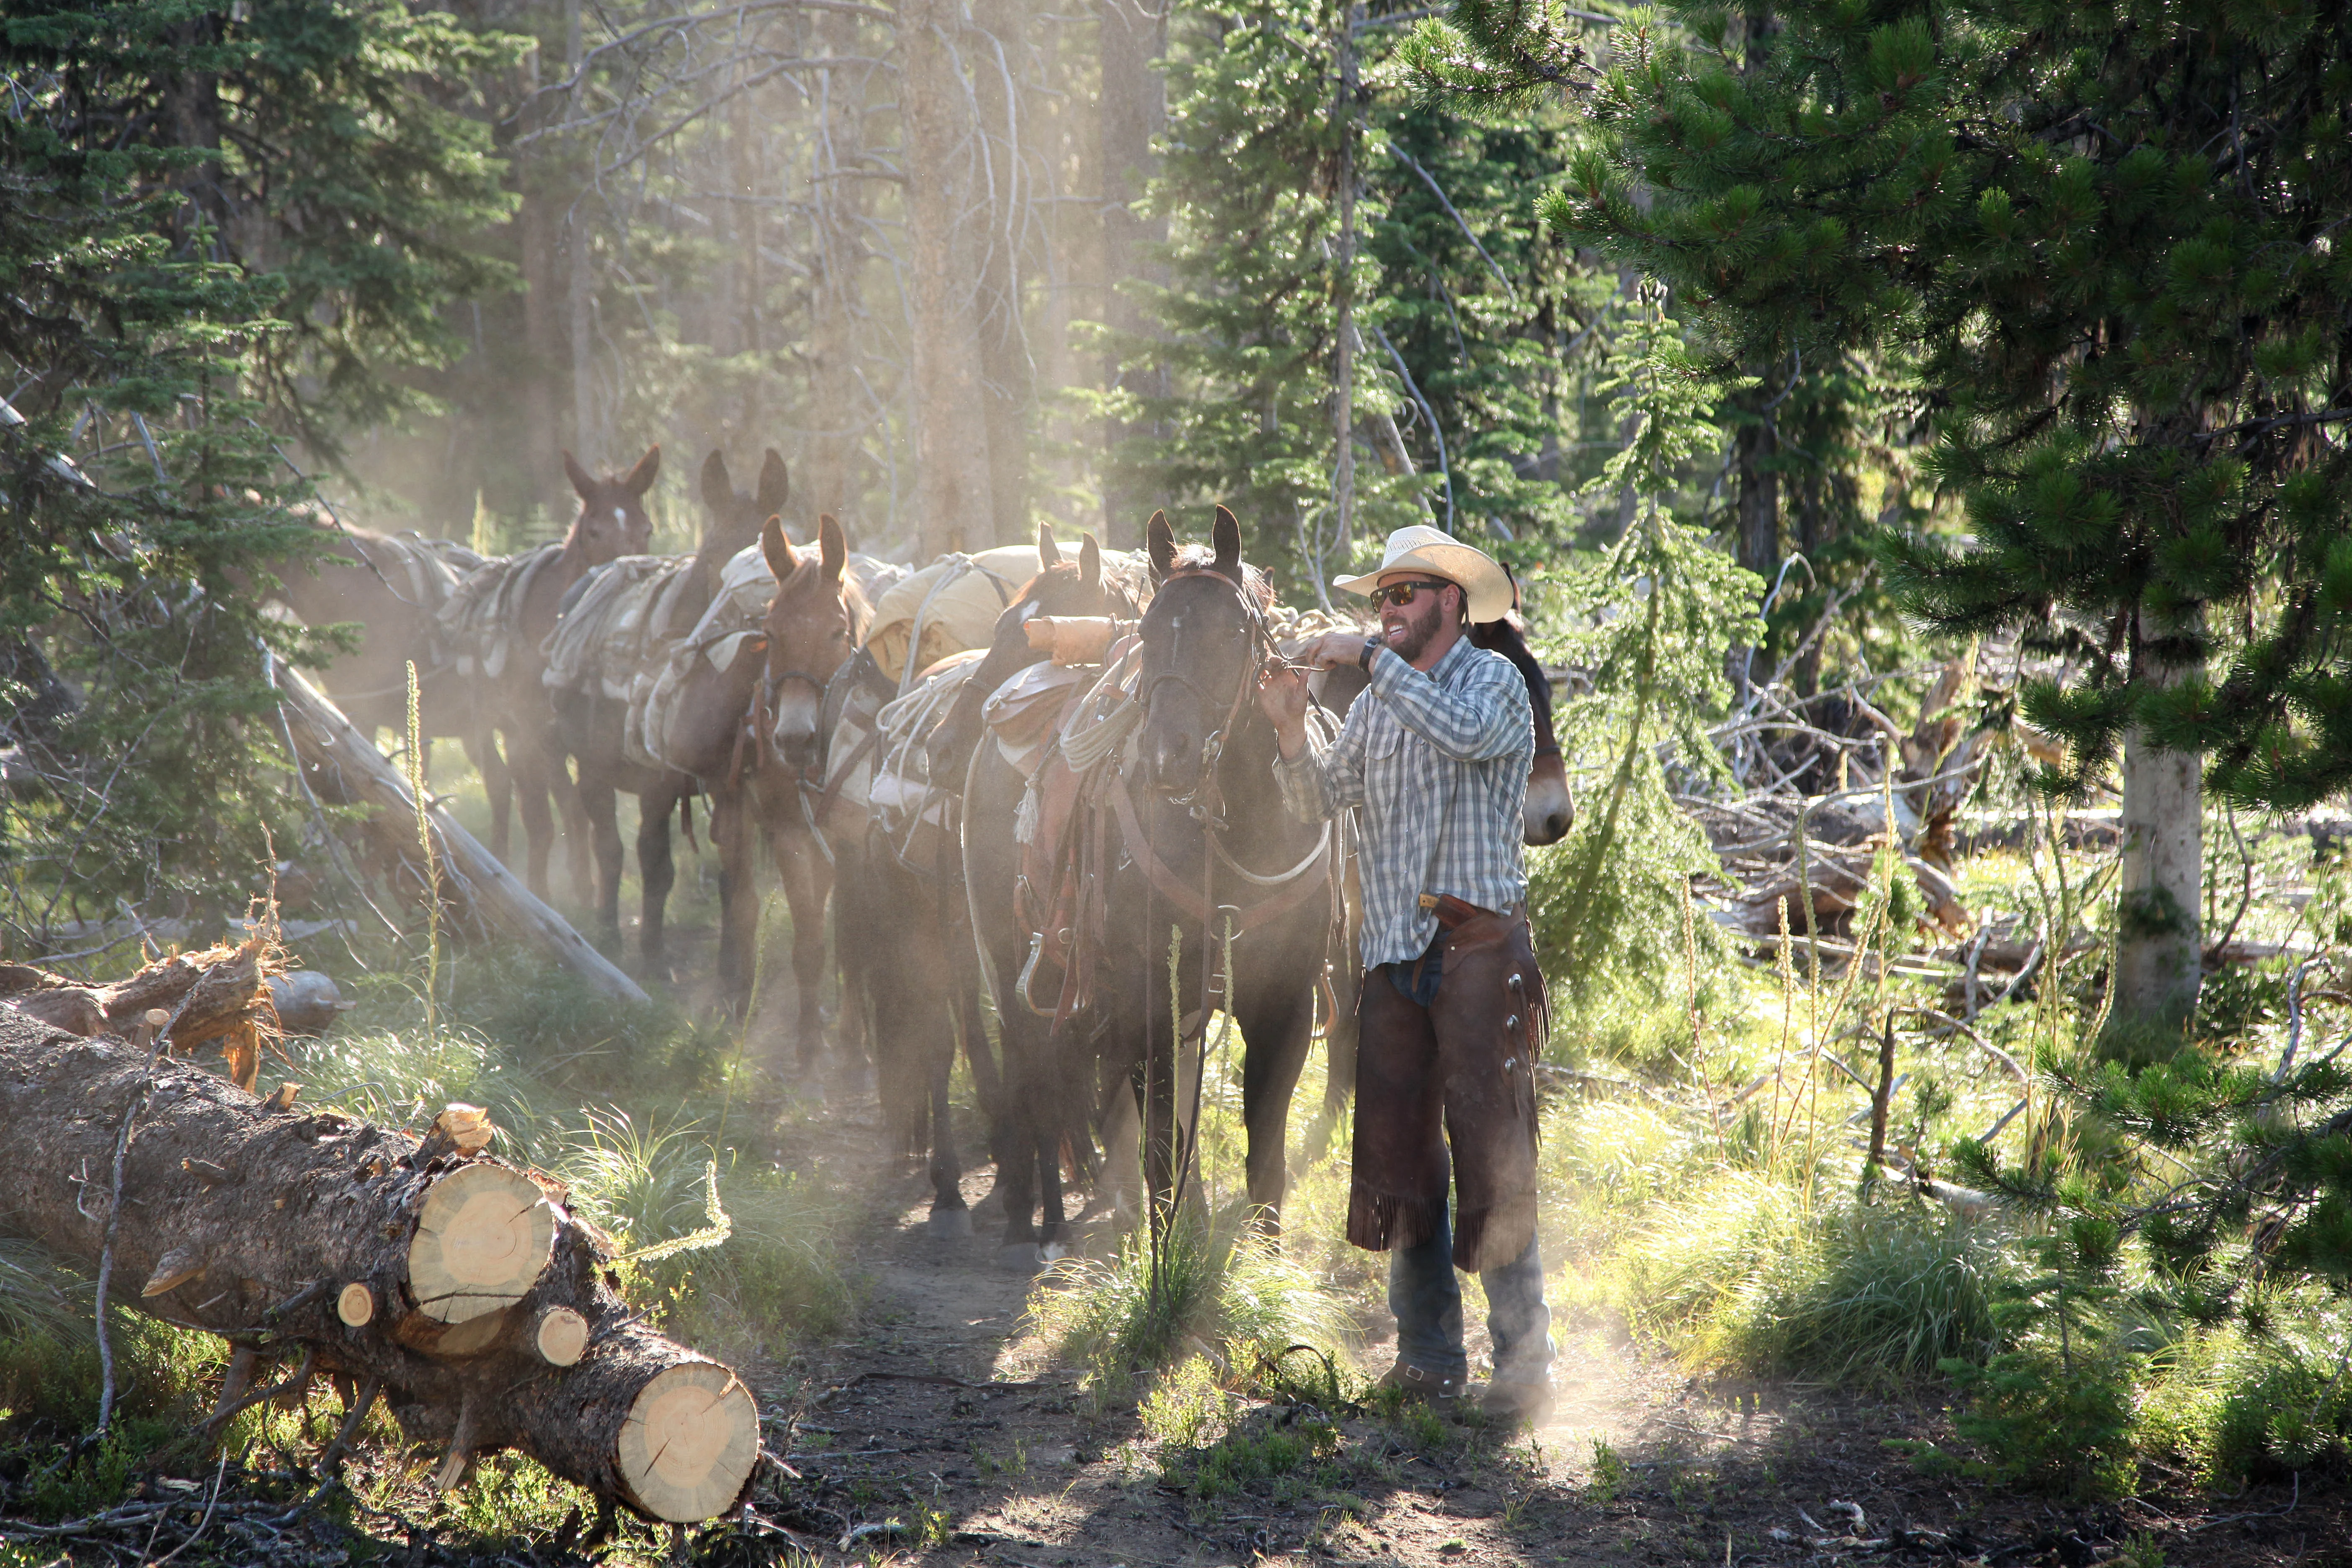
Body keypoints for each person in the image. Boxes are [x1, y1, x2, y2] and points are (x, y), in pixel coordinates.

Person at [1257, 524, 1553, 1425]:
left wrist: (1367, 663)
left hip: (1480, 954)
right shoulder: (1379, 704)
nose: (1384, 612)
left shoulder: (1494, 682)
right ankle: (1428, 1361)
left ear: (1450, 603)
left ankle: (1524, 1369)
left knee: (1494, 1158)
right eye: (1378, 599)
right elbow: (1314, 802)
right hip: (1391, 959)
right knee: (1400, 1161)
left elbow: (1462, 736)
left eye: (1402, 596)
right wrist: (1286, 733)